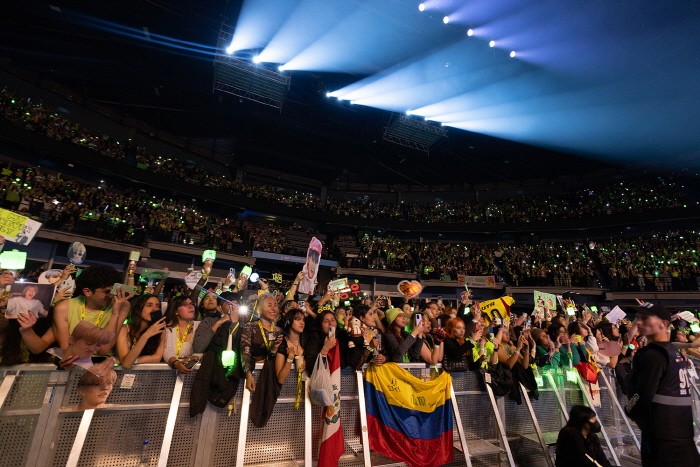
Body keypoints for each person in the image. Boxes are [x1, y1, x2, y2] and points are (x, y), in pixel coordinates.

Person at [624, 306, 700, 467]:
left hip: (662, 438)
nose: (638, 322)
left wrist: (629, 408)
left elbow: (641, 397)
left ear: (664, 324)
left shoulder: (653, 354)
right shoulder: (672, 352)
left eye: (645, 318)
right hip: (683, 435)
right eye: (637, 318)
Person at [52, 264, 127, 354]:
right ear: (87, 292)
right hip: (73, 362)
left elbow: (104, 349)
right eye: (107, 292)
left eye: (113, 291)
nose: (111, 296)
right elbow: (66, 349)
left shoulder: (122, 305)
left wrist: (115, 313)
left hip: (102, 363)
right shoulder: (63, 308)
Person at [116, 294, 166, 368]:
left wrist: (134, 360)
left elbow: (157, 357)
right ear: (138, 309)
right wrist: (146, 335)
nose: (154, 309)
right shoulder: (124, 329)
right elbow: (126, 364)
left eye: (158, 306)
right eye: (149, 305)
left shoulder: (160, 329)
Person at [163, 296, 200, 372]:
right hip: (168, 372)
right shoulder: (168, 328)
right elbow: (166, 350)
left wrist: (195, 357)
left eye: (192, 304)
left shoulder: (200, 326)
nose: (190, 306)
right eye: (185, 304)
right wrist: (176, 363)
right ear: (176, 311)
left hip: (193, 373)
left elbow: (204, 349)